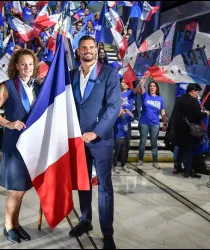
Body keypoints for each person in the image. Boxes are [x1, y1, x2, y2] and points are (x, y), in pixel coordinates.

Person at [68, 35, 120, 249]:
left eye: (91, 47)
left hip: (101, 140)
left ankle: (107, 234)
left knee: (105, 188)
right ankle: (85, 220)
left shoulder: (109, 73)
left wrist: (96, 133)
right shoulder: (71, 75)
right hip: (78, 140)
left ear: (97, 49)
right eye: (83, 48)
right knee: (83, 183)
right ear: (78, 51)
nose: (87, 51)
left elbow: (114, 107)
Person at [0, 49, 41, 244]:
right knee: (16, 190)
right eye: (23, 64)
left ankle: (16, 225)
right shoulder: (7, 86)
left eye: (30, 65)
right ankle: (9, 226)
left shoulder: (36, 87)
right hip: (15, 144)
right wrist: (8, 123)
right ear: (16, 66)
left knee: (22, 188)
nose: (27, 68)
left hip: (31, 144)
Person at [170, 83, 209, 178]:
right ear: (192, 91)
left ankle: (177, 167)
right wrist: (206, 114)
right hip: (189, 131)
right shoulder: (193, 101)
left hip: (179, 129)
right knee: (188, 151)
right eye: (197, 92)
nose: (198, 94)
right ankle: (188, 171)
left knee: (180, 149)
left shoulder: (180, 99)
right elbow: (197, 116)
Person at [135, 75, 167, 169]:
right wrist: (144, 78)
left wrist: (164, 123)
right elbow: (141, 86)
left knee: (154, 143)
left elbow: (163, 112)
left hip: (155, 124)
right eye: (150, 86)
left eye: (153, 86)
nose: (151, 87)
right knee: (142, 142)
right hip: (144, 122)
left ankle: (155, 161)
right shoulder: (145, 95)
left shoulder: (160, 99)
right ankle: (140, 160)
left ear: (156, 88)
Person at [113, 79, 136, 173]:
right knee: (117, 147)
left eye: (126, 82)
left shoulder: (130, 93)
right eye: (123, 82)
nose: (125, 83)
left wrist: (129, 113)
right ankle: (115, 165)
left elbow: (132, 116)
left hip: (126, 125)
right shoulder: (115, 94)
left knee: (125, 147)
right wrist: (121, 112)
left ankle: (123, 164)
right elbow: (117, 112)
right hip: (118, 124)